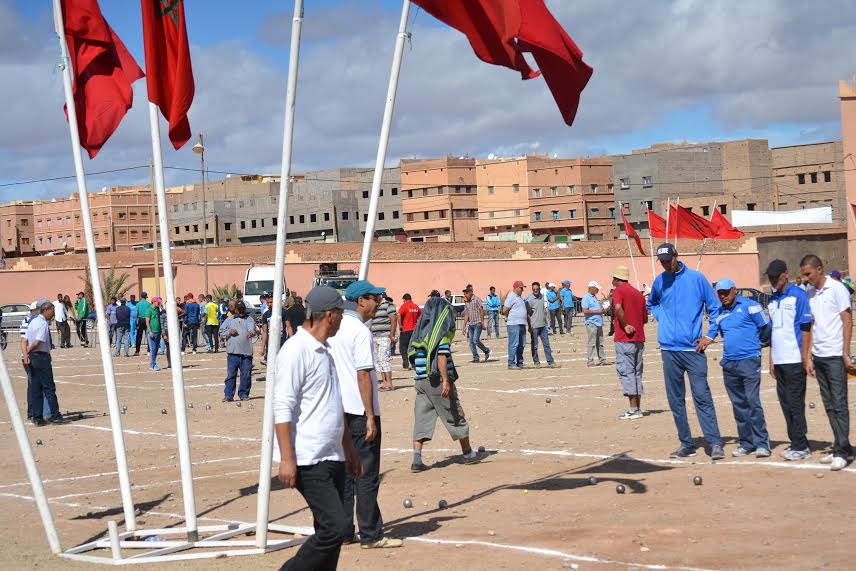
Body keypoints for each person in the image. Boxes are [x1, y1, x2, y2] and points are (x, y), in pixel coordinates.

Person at [273, 286, 362, 571]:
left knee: (329, 534)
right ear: (331, 315)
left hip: (332, 456)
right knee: (336, 527)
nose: (343, 319)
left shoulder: (326, 351)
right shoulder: (296, 351)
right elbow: (282, 407)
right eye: (341, 313)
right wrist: (288, 458)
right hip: (308, 459)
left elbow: (334, 404)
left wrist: (349, 450)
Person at [330, 280, 403, 550]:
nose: (379, 303)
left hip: (339, 410)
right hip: (360, 411)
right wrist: (371, 416)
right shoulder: (359, 331)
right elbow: (363, 374)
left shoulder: (333, 327)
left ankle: (344, 531)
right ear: (361, 300)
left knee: (346, 474)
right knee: (366, 474)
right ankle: (371, 534)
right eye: (375, 298)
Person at [647, 243, 725, 460]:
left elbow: (715, 308)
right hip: (668, 350)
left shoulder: (697, 279)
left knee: (702, 396)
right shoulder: (660, 281)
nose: (664, 265)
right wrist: (661, 317)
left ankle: (715, 443)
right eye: (661, 261)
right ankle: (686, 443)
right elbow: (651, 303)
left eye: (667, 260)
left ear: (676, 256)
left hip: (693, 350)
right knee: (675, 400)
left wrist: (710, 335)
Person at [408, 295, 479, 472]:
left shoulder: (420, 330)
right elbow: (441, 354)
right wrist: (445, 380)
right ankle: (468, 453)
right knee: (454, 414)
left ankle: (416, 460)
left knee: (422, 419)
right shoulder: (440, 332)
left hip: (420, 381)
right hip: (436, 381)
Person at [703, 278, 772, 458]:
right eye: (720, 293)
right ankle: (746, 443)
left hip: (749, 361)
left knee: (752, 402)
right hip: (730, 363)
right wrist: (704, 341)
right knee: (739, 405)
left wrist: (761, 344)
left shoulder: (751, 305)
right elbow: (711, 333)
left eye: (726, 292)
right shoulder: (718, 313)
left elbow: (765, 327)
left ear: (735, 290)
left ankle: (762, 443)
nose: (723, 296)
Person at [801, 254, 853, 471]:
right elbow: (813, 324)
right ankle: (841, 446)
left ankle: (843, 452)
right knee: (829, 404)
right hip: (820, 355)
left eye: (808, 274)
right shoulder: (811, 293)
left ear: (819, 269)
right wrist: (809, 356)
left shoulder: (837, 289)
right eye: (804, 274)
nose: (805, 278)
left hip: (835, 355)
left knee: (840, 404)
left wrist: (845, 352)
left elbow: (847, 319)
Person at [766, 260, 813, 461]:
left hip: (795, 359)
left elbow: (806, 328)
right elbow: (773, 333)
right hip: (779, 360)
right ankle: (795, 442)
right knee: (785, 404)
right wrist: (771, 360)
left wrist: (805, 356)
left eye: (777, 276)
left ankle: (801, 445)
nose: (773, 280)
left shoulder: (798, 296)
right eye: (770, 277)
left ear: (786, 274)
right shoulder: (771, 301)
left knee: (795, 403)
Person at [612, 266, 647, 420]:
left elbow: (618, 308)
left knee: (627, 373)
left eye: (613, 278)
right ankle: (637, 407)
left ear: (617, 279)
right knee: (636, 373)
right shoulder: (638, 294)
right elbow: (645, 318)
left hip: (625, 338)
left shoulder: (619, 291)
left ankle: (634, 409)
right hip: (639, 338)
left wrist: (625, 324)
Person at [24, 300, 66, 426]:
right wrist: (29, 350)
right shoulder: (42, 323)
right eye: (52, 311)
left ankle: (37, 417)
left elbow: (24, 340)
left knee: (36, 388)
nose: (53, 314)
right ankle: (55, 415)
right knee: (48, 387)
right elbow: (37, 342)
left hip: (32, 357)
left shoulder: (33, 322)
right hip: (41, 357)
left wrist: (26, 353)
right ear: (46, 310)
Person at [219, 301, 258, 402]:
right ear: (235, 309)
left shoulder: (249, 319)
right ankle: (228, 395)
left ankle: (244, 394)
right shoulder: (230, 319)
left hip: (246, 353)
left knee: (246, 375)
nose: (241, 311)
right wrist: (229, 332)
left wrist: (251, 333)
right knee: (231, 375)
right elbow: (221, 331)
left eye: (242, 309)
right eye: (239, 309)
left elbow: (253, 330)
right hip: (233, 353)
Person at [20, 301, 50, 421]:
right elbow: (24, 340)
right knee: (37, 386)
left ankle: (33, 412)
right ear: (35, 310)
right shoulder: (30, 322)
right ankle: (39, 413)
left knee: (33, 385)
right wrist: (26, 354)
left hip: (29, 355)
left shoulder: (34, 321)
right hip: (32, 356)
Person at [526, 282, 558, 368]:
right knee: (535, 345)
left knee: (547, 345)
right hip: (534, 326)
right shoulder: (529, 300)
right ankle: (536, 362)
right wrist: (529, 326)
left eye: (537, 289)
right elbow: (528, 315)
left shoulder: (542, 297)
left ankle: (550, 361)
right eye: (534, 290)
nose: (535, 291)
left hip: (543, 325)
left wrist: (546, 322)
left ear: (539, 289)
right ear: (532, 290)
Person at [370, 293, 397, 391]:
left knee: (384, 359)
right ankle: (384, 382)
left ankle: (389, 383)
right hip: (374, 336)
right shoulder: (374, 306)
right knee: (377, 360)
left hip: (385, 336)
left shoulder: (388, 305)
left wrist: (392, 334)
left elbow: (393, 319)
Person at [503, 281, 529, 370]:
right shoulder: (511, 296)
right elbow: (505, 310)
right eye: (521, 288)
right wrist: (509, 317)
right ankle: (511, 363)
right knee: (514, 344)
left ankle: (520, 362)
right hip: (514, 324)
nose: (522, 290)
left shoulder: (519, 297)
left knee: (521, 344)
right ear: (516, 288)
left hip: (521, 323)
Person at [260, 292, 291, 366]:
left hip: (281, 343)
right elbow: (264, 332)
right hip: (270, 345)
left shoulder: (283, 312)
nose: (269, 304)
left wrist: (292, 341)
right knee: (271, 366)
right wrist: (262, 348)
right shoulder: (265, 315)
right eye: (268, 302)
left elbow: (289, 327)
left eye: (271, 302)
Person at [462, 287, 491, 363]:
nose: (465, 295)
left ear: (470, 293)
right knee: (471, 342)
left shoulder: (477, 299)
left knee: (475, 340)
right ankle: (476, 357)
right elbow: (466, 314)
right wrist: (464, 326)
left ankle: (486, 350)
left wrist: (482, 322)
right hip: (470, 324)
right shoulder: (466, 301)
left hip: (478, 323)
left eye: (466, 293)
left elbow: (482, 311)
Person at [581, 281, 607, 367]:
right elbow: (585, 310)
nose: (597, 290)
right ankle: (590, 361)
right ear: (591, 288)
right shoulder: (586, 297)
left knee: (600, 343)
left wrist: (602, 309)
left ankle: (602, 360)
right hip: (591, 323)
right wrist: (598, 311)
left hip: (598, 323)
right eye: (596, 289)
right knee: (592, 343)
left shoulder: (594, 297)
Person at [397, 293, 421, 370]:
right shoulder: (416, 306)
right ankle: (413, 364)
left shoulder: (404, 306)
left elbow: (398, 315)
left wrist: (400, 325)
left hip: (405, 330)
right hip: (414, 331)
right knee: (413, 348)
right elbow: (421, 316)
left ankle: (406, 364)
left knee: (403, 348)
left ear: (404, 299)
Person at [143, 297, 163, 371]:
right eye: (158, 302)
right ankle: (153, 365)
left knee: (156, 349)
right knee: (153, 349)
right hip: (152, 332)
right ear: (154, 302)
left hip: (158, 331)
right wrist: (150, 331)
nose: (159, 303)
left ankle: (153, 364)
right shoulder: (149, 310)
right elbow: (147, 322)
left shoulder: (157, 310)